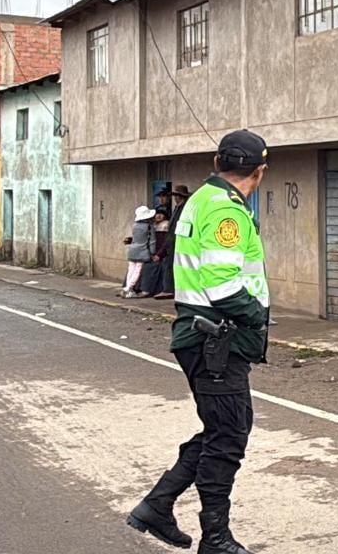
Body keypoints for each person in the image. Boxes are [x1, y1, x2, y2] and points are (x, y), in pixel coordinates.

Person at [126, 129, 270, 554]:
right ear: (259, 172)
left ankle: (158, 504)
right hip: (215, 338)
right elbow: (223, 285)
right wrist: (258, 317)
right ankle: (215, 537)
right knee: (228, 436)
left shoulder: (200, 201)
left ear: (216, 163)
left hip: (204, 337)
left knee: (225, 428)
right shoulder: (226, 212)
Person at [157, 184, 191, 299]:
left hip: (178, 239)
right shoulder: (177, 207)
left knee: (171, 264)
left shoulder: (184, 208)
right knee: (169, 264)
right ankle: (169, 288)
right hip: (172, 238)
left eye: (177, 195)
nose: (175, 198)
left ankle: (169, 289)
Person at [121, 206, 156, 298]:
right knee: (137, 270)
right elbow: (152, 241)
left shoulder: (135, 225)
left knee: (131, 269)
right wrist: (152, 252)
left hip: (132, 250)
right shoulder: (149, 227)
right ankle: (129, 288)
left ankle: (127, 287)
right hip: (142, 251)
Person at [138, 207, 171, 297]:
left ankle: (146, 290)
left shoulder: (166, 226)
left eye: (161, 214)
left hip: (161, 254)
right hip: (150, 253)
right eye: (157, 214)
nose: (159, 216)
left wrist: (159, 255)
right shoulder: (152, 226)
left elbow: (165, 243)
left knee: (150, 266)